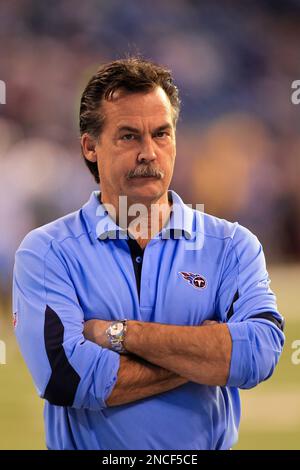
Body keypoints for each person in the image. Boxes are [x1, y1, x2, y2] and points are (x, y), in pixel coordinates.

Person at [13, 57, 285, 450]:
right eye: (128, 136)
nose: (149, 152)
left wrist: (118, 334)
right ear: (90, 147)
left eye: (162, 134)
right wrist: (207, 353)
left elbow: (259, 354)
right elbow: (68, 378)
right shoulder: (47, 252)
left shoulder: (232, 245)